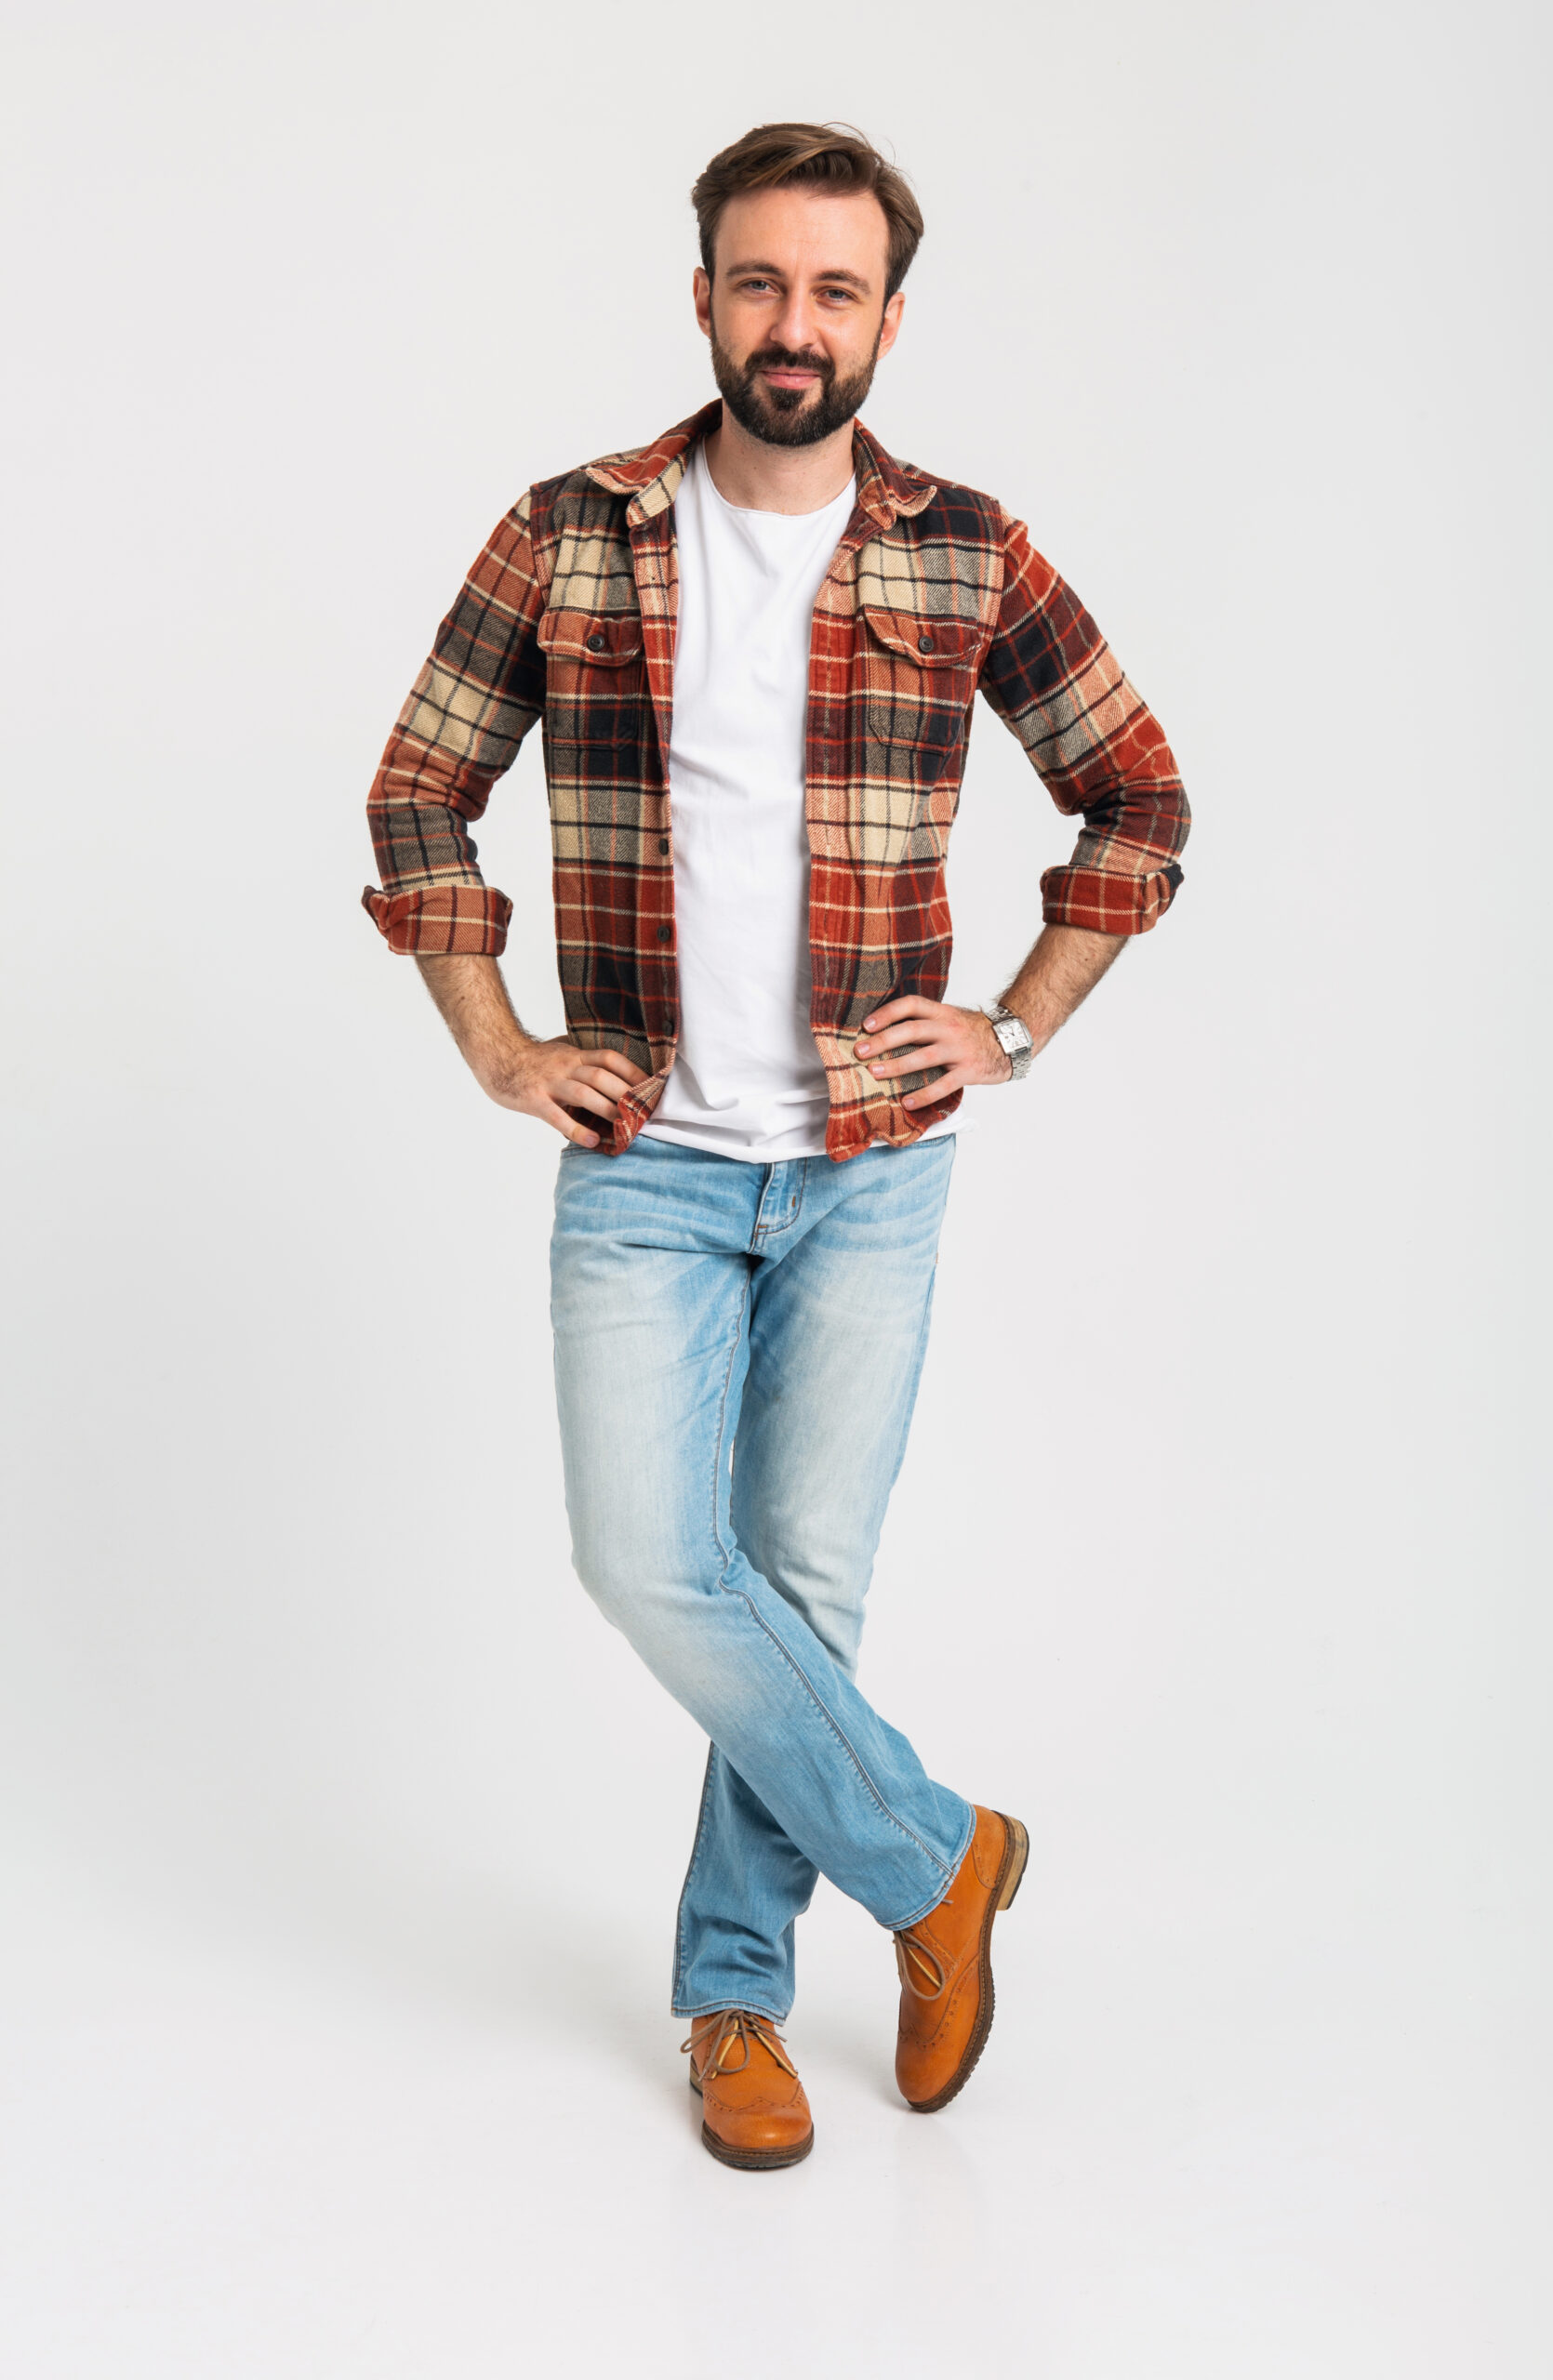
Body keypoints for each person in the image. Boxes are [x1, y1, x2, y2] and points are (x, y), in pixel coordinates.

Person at [362, 121, 1189, 2171]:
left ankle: (733, 1991)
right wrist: (492, 1037)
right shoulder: (569, 532)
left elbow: (1136, 800)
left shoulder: (963, 549)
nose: (791, 323)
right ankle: (942, 1860)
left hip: (870, 1163)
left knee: (798, 1588)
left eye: (833, 289)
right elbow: (414, 794)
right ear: (703, 295)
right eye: (756, 281)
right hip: (642, 1148)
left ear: (887, 317)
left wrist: (1008, 1021)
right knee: (645, 1558)